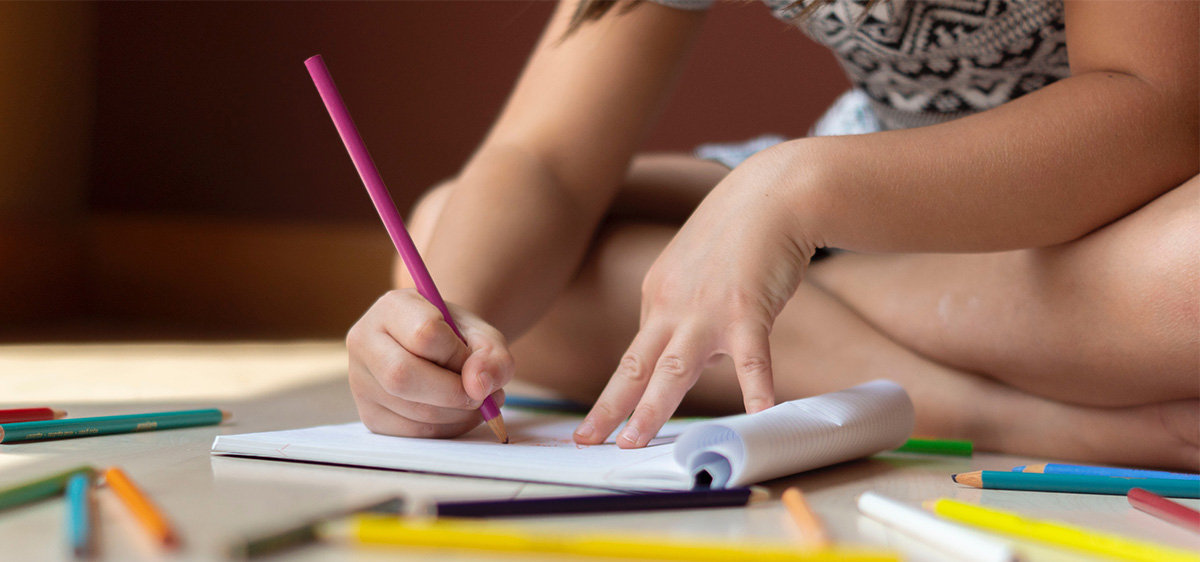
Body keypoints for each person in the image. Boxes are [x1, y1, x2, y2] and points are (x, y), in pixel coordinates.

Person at [345, 0, 1199, 470]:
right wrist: (443, 336)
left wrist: (796, 193)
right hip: (881, 190)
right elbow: (547, 161)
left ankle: (803, 296)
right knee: (445, 232)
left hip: (1137, 201)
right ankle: (1016, 416)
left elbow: (1157, 106)